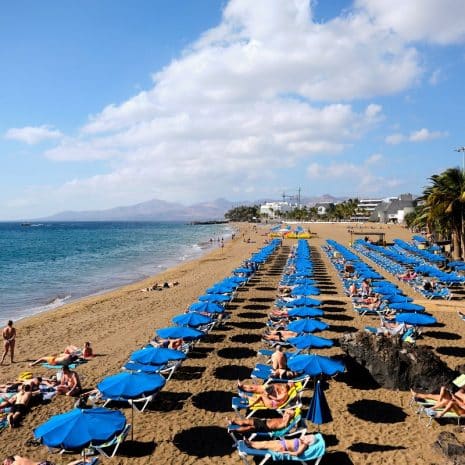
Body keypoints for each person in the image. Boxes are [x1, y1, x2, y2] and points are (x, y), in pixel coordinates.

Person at [227, 409, 296, 433]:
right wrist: (290, 414)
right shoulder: (284, 418)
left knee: (250, 428)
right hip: (263, 421)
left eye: (288, 415)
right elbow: (288, 411)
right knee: (247, 421)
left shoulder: (285, 423)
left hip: (265, 427)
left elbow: (286, 424)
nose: (286, 415)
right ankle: (233, 421)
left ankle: (234, 430)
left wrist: (289, 416)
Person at [244, 434, 316, 456]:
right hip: (281, 442)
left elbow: (297, 453)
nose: (307, 436)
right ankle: (251, 442)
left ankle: (250, 445)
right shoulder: (303, 441)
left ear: (310, 441)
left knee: (265, 446)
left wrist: (286, 452)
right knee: (266, 442)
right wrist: (303, 438)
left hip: (282, 447)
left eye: (309, 437)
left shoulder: (304, 445)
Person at [3, 456, 98, 465]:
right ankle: (81, 460)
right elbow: (14, 455)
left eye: (5, 463)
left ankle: (81, 460)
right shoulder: (19, 457)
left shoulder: (14, 463)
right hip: (44, 462)